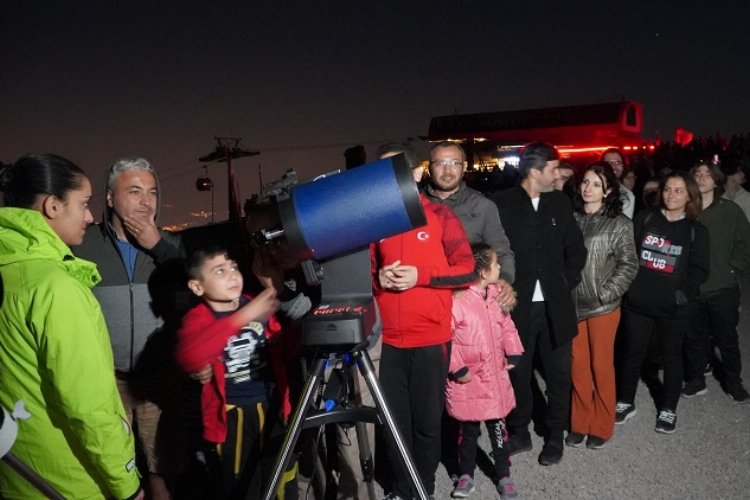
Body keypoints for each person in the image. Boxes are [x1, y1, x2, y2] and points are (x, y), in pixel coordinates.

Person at [0, 154, 143, 499]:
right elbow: (88, 405)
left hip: (19, 473)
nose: (91, 216)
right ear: (52, 206)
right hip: (70, 482)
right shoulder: (56, 288)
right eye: (83, 203)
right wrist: (127, 483)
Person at [74, 157, 186, 499]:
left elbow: (197, 296)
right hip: (106, 383)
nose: (146, 201)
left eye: (151, 192)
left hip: (159, 380)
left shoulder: (171, 247)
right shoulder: (83, 244)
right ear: (109, 198)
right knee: (108, 472)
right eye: (134, 191)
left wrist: (160, 248)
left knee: (162, 471)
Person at [374, 159, 476, 500]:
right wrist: (378, 280)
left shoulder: (439, 215)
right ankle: (403, 488)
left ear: (412, 176)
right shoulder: (377, 222)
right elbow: (368, 272)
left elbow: (467, 270)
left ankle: (424, 487)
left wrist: (422, 276)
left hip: (431, 338)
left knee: (428, 424)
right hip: (388, 340)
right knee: (394, 423)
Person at [489, 142, 587, 466]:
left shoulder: (559, 203)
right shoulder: (500, 204)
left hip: (555, 307)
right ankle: (520, 431)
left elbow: (577, 250)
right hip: (516, 307)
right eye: (553, 169)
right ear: (535, 172)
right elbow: (490, 253)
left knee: (559, 373)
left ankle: (555, 435)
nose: (559, 174)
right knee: (519, 371)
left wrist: (564, 282)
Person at [174, 245, 295, 498]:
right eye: (219, 271)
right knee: (242, 484)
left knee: (280, 477)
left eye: (234, 268)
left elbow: (281, 345)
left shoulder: (253, 303)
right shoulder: (199, 318)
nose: (232, 275)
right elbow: (189, 355)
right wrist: (242, 317)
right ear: (197, 287)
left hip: (270, 406)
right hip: (232, 415)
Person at [615, 171, 710, 434]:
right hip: (638, 304)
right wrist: (629, 289)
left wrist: (683, 293)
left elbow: (700, 269)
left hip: (673, 309)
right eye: (668, 189)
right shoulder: (645, 219)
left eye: (679, 190)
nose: (671, 194)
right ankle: (625, 402)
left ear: (690, 195)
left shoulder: (695, 230)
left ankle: (668, 408)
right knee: (632, 353)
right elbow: (630, 255)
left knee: (671, 357)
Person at [567, 162, 638, 449]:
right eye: (585, 182)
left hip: (601, 307)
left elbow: (629, 264)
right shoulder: (571, 218)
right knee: (578, 367)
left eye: (596, 184)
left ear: (608, 190)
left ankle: (602, 424)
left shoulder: (619, 223)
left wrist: (606, 292)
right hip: (571, 305)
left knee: (601, 366)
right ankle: (579, 422)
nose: (588, 188)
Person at [445, 243, 524, 499]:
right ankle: (466, 474)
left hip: (495, 379)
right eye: (495, 263)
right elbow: (446, 339)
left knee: (499, 431)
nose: (499, 267)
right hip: (469, 381)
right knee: (467, 433)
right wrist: (457, 369)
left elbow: (507, 325)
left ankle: (503, 474)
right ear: (481, 272)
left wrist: (513, 352)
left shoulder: (495, 295)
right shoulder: (458, 301)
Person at [683, 161, 750, 403]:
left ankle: (734, 382)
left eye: (707, 175)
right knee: (693, 339)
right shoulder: (686, 210)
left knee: (727, 340)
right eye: (697, 173)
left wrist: (734, 268)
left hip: (722, 288)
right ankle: (696, 379)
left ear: (716, 181)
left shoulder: (729, 210)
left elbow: (746, 241)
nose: (701, 178)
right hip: (693, 289)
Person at [423, 140, 517, 310]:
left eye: (454, 163)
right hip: (426, 296)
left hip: (468, 300)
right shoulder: (415, 206)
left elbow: (502, 251)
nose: (447, 170)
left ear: (463, 167)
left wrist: (504, 279)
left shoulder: (482, 206)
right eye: (440, 163)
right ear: (430, 168)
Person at [602, 148, 635, 218]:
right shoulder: (588, 187)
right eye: (609, 163)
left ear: (623, 166)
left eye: (618, 162)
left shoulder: (628, 196)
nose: (613, 166)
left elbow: (624, 226)